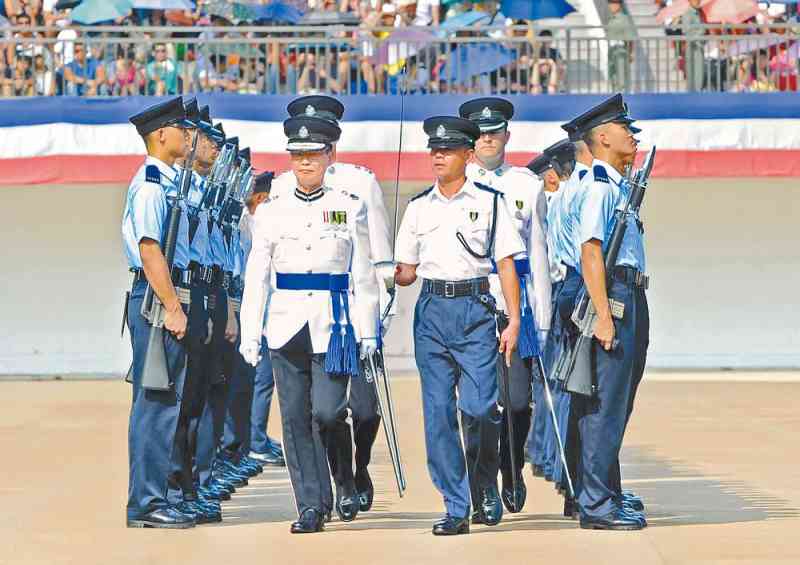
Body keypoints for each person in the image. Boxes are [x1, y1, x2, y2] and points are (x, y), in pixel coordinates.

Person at [239, 115, 380, 534]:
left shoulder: (348, 205)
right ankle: (311, 506)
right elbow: (257, 274)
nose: (305, 163)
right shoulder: (271, 212)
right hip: (285, 324)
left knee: (329, 412)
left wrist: (368, 327)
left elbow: (364, 273)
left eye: (313, 155)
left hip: (334, 323)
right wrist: (251, 332)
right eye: (298, 155)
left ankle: (344, 475)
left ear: (328, 156)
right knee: (295, 418)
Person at [395, 116, 524, 535]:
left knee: (480, 409)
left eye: (447, 150)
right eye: (434, 149)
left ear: (468, 156)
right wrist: (392, 274)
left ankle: (484, 481)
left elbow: (505, 263)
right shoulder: (417, 207)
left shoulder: (489, 201)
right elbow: (407, 270)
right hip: (432, 310)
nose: (437, 156)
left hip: (475, 311)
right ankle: (455, 503)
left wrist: (515, 318)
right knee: (437, 415)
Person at [271, 95, 394, 516]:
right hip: (303, 318)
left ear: (332, 142)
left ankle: (358, 466)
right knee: (319, 413)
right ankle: (337, 483)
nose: (306, 153)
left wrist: (375, 320)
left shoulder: (361, 184)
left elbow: (378, 257)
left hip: (353, 316)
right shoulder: (283, 188)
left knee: (362, 408)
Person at [559, 94, 649, 530]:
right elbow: (591, 253)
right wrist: (605, 316)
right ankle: (595, 504)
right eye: (624, 129)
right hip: (612, 296)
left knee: (617, 403)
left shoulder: (616, 184)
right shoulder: (598, 186)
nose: (632, 136)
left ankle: (605, 493)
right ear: (602, 137)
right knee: (604, 406)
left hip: (629, 295)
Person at [459, 97, 550, 518]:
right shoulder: (457, 185)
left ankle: (512, 469)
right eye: (480, 134)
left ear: (507, 136)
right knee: (477, 407)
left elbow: (539, 254)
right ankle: (481, 487)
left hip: (518, 309)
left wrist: (543, 319)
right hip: (474, 303)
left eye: (495, 132)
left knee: (515, 402)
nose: (487, 139)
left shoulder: (527, 185)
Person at [122, 96, 195, 529]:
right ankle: (146, 503)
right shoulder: (151, 182)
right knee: (156, 402)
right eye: (182, 130)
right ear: (162, 135)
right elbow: (151, 249)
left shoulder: (167, 180)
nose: (189, 137)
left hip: (164, 298)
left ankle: (158, 494)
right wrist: (172, 306)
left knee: (167, 401)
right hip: (156, 301)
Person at [242, 172, 286, 468]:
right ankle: (254, 440)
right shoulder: (254, 223)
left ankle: (256, 436)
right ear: (260, 199)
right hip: (260, 314)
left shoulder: (253, 221)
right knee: (260, 382)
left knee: (260, 382)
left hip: (266, 313)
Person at [606, 0, 635, 93]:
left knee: (621, 77)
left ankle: (622, 98)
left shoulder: (624, 19)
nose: (611, 6)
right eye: (610, 4)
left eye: (613, 4)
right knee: (612, 75)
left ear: (618, 5)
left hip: (621, 50)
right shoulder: (611, 19)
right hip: (612, 50)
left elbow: (630, 38)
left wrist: (630, 53)